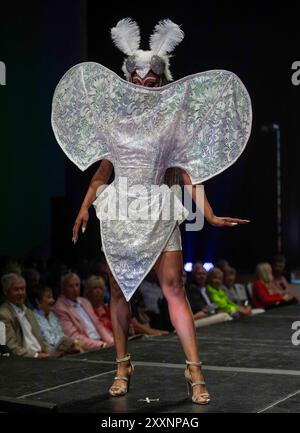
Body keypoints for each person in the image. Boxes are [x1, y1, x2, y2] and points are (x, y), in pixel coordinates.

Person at [51, 19, 252, 405]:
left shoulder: (171, 125)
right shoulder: (114, 120)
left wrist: (208, 214)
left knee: (174, 287)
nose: (144, 87)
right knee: (119, 290)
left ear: (161, 83)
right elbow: (102, 172)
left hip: (158, 206)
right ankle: (122, 365)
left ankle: (194, 371)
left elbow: (186, 175)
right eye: (138, 81)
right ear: (129, 80)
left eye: (151, 83)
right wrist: (82, 209)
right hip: (122, 209)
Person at [53, 272, 114, 351]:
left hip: (101, 343)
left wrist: (112, 342)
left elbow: (99, 326)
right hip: (87, 348)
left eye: (77, 285)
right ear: (63, 288)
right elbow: (74, 336)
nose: (75, 289)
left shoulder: (84, 301)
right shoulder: (60, 307)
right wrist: (102, 345)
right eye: (71, 286)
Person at [0, 273, 50, 358]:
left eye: (23, 289)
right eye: (16, 289)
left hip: (42, 357)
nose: (21, 293)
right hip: (25, 362)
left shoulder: (29, 312)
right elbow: (12, 348)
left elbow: (41, 341)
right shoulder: (3, 314)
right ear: (6, 292)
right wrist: (37, 356)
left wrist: (54, 351)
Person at [28, 284, 83, 356]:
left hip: (63, 354)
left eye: (52, 297)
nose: (53, 300)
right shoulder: (32, 318)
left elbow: (61, 337)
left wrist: (72, 344)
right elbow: (41, 344)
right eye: (49, 297)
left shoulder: (52, 315)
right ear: (38, 301)